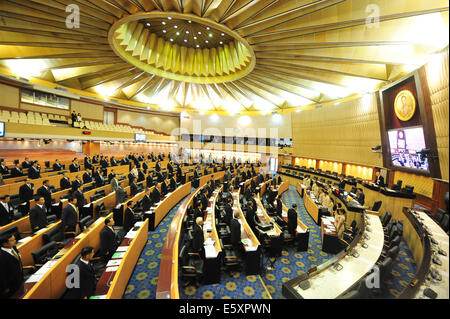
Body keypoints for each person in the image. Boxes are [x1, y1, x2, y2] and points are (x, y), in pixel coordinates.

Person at [0, 233, 24, 298]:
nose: (15, 241)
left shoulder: (13, 247)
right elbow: (2, 274)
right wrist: (5, 288)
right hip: (11, 284)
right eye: (12, 240)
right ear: (5, 244)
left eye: (14, 239)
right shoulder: (2, 256)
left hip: (19, 278)